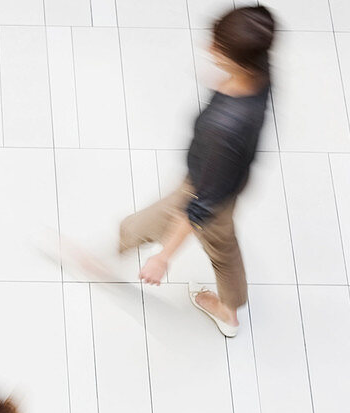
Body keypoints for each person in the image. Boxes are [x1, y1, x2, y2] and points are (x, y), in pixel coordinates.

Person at [118, 5, 276, 337]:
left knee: (219, 245)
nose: (209, 50)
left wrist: (164, 258)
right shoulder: (261, 72)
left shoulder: (224, 128)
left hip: (209, 187)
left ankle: (229, 313)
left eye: (218, 48)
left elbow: (199, 206)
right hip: (224, 177)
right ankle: (124, 243)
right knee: (215, 239)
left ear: (239, 60)